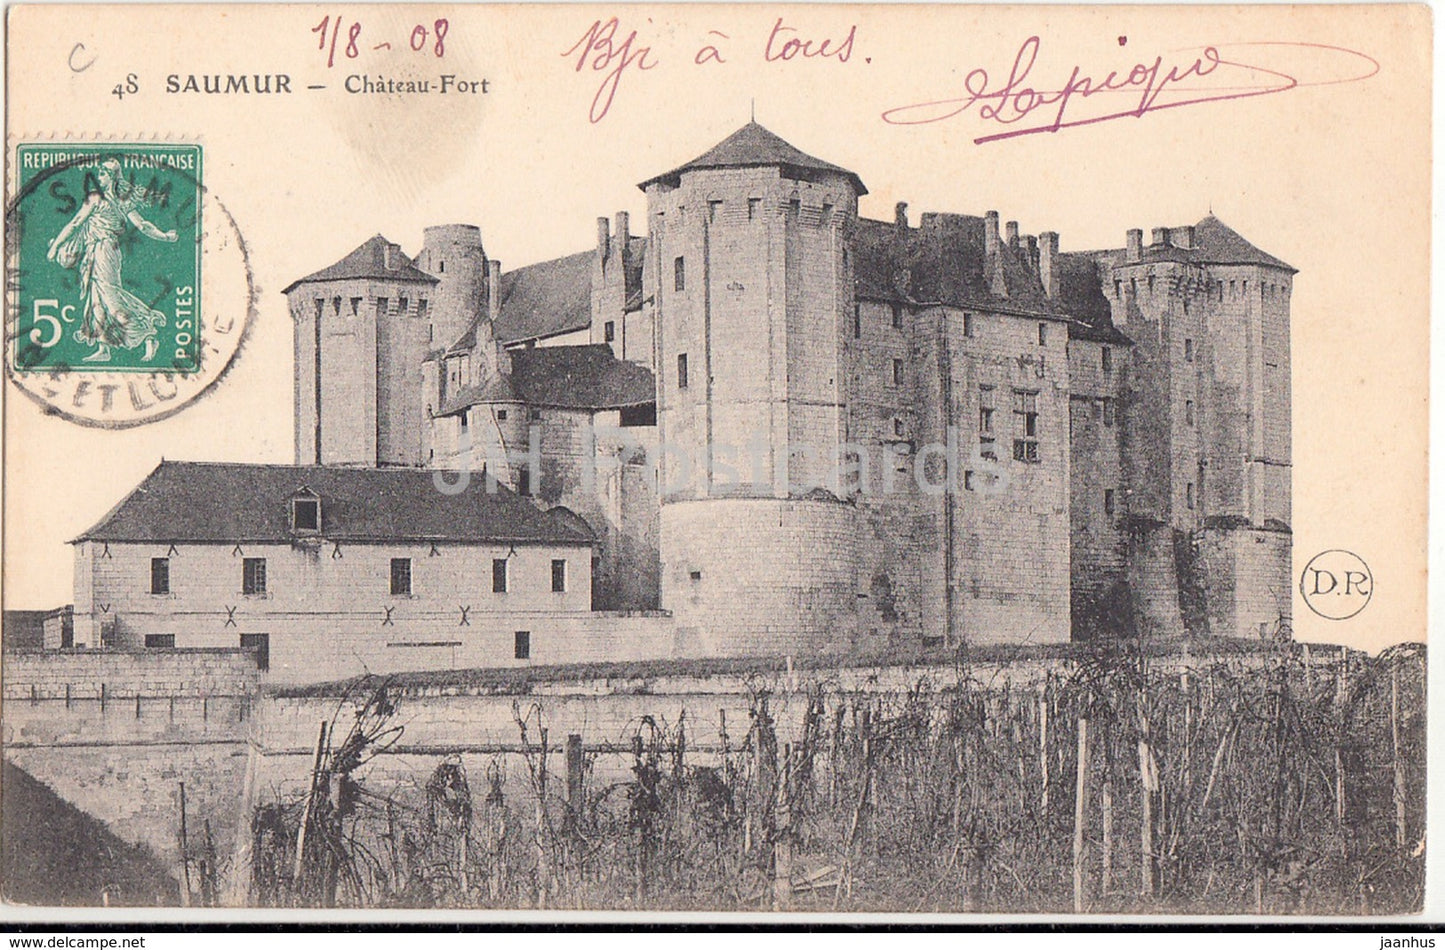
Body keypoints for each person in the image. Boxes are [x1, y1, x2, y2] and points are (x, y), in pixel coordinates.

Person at [46, 157, 178, 363]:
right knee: (96, 301)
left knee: (112, 300)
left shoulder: (113, 200)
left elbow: (142, 225)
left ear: (113, 177)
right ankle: (104, 348)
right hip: (93, 252)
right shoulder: (96, 198)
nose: (100, 173)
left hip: (106, 251)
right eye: (100, 170)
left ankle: (148, 334)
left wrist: (165, 236)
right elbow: (75, 223)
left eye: (105, 171)